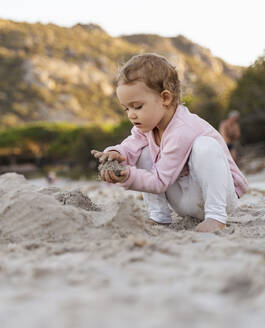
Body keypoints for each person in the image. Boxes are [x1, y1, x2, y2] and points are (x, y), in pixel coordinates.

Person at [90, 53, 248, 233]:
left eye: (137, 106)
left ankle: (216, 217)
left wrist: (128, 176)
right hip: (185, 200)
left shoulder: (182, 127)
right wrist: (116, 153)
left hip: (217, 196)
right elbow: (130, 145)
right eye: (127, 108)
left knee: (205, 146)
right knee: (143, 150)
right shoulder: (148, 126)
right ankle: (159, 216)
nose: (131, 115)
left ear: (165, 98)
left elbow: (159, 181)